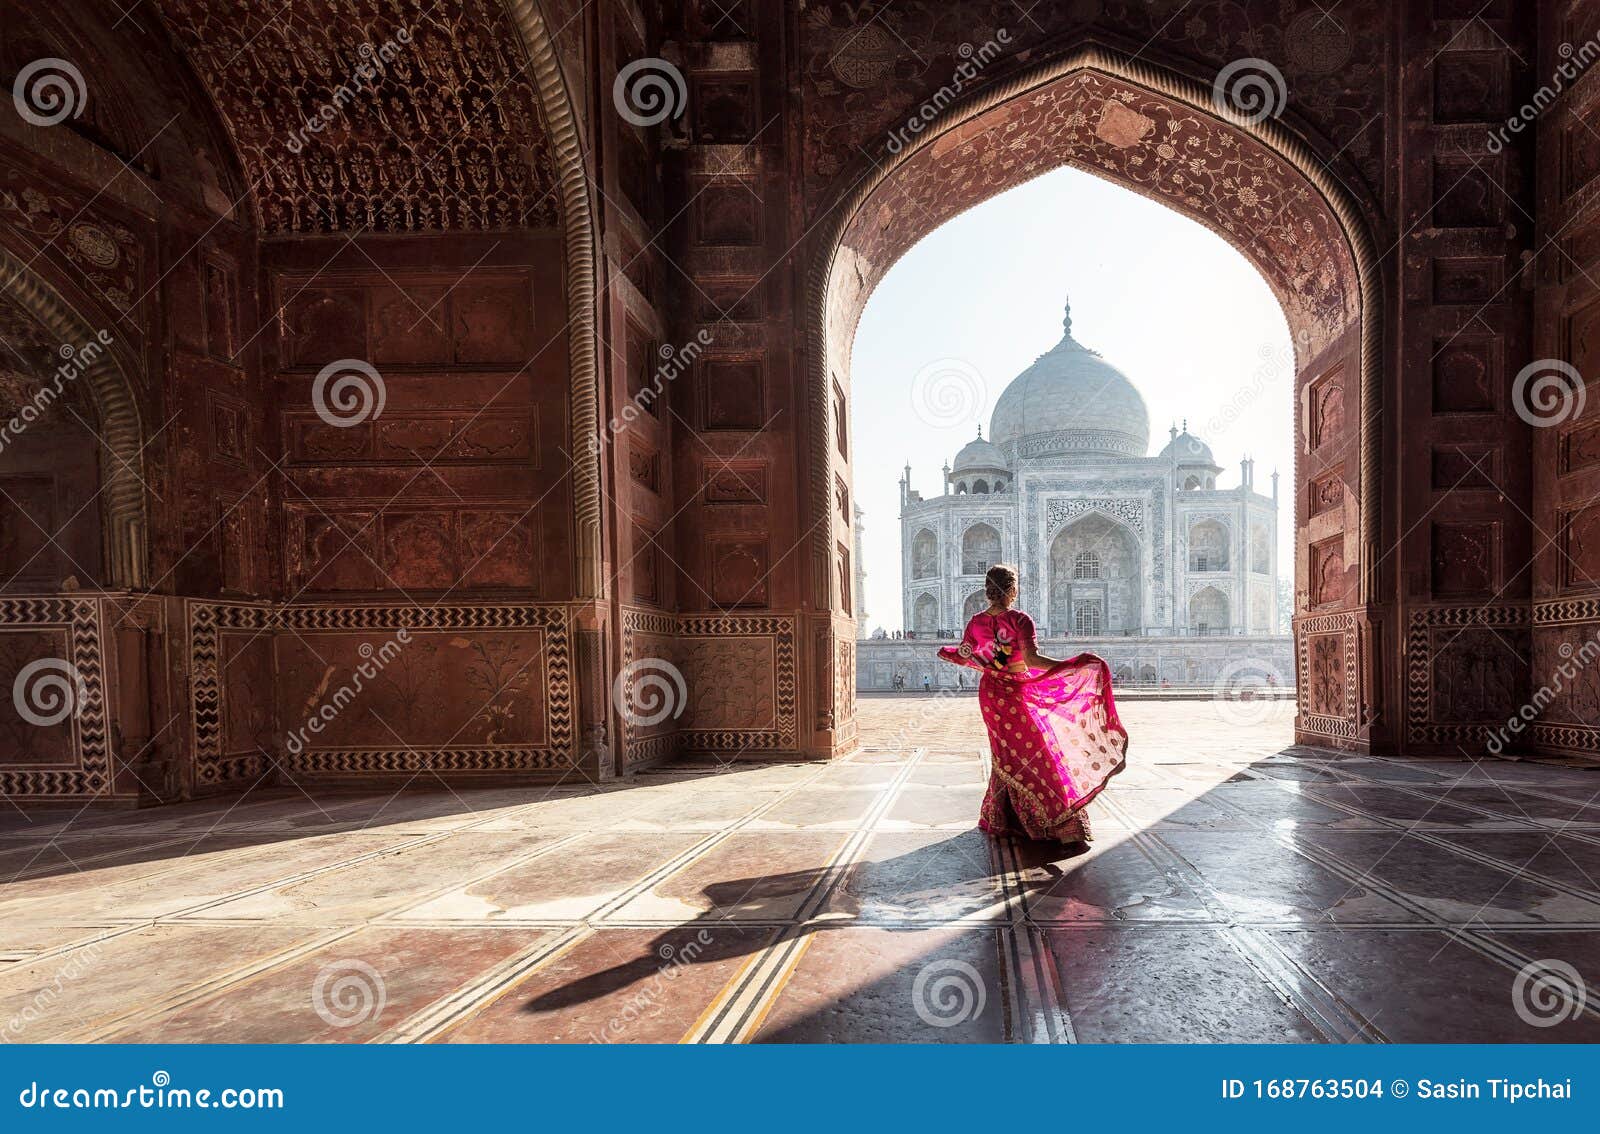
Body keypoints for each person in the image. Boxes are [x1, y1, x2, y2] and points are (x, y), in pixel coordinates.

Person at [937, 564, 1127, 845]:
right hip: (1014, 690)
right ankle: (1052, 820)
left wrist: (953, 653)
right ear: (1013, 590)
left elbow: (968, 654)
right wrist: (1068, 666)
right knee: (1036, 749)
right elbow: (1032, 660)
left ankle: (1006, 817)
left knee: (1007, 755)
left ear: (988, 590)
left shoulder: (976, 622)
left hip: (991, 693)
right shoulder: (1019, 619)